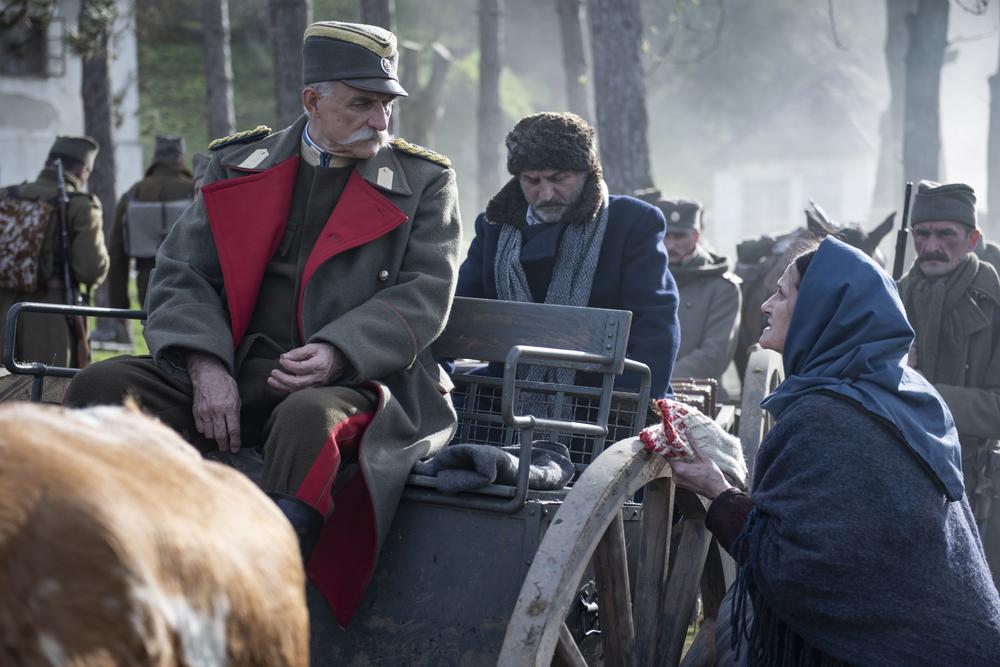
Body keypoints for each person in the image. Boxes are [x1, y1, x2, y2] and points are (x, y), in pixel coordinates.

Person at [63, 20, 462, 627]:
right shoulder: (236, 164)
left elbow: (426, 294)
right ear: (312, 101)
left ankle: (264, 603)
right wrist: (206, 366)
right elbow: (181, 273)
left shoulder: (425, 181)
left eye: (386, 104)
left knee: (307, 420)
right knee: (100, 387)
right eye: (362, 104)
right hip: (235, 365)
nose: (381, 120)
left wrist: (337, 352)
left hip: (359, 380)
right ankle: (109, 566)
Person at [653, 236, 1000, 665]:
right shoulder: (904, 393)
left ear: (818, 312)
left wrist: (718, 493)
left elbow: (799, 571)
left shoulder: (823, 417)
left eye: (782, 295)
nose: (765, 306)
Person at [455, 112, 679, 398]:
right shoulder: (493, 229)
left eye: (558, 179)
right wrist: (434, 378)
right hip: (508, 394)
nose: (546, 194)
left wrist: (631, 402)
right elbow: (458, 314)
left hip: (607, 398)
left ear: (587, 172)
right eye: (532, 181)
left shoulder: (632, 223)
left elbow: (656, 323)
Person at [898, 180, 1000, 584]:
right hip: (903, 478)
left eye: (946, 234)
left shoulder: (995, 305)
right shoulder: (893, 299)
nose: (932, 246)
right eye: (921, 234)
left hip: (979, 486)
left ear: (972, 240)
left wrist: (921, 391)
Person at [0, 135, 109, 367]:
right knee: (49, 385)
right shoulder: (80, 204)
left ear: (46, 163)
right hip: (49, 317)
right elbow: (91, 270)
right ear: (82, 171)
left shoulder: (5, 196)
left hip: (3, 312)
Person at [657, 198, 740, 396]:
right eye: (666, 235)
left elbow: (714, 354)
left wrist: (658, 379)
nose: (671, 244)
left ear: (695, 236)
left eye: (680, 236)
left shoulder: (722, 287)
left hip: (697, 395)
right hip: (640, 390)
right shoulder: (645, 277)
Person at [105, 135, 194, 314]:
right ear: (181, 158)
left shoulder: (135, 192)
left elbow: (116, 250)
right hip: (189, 281)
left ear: (154, 158)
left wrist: (119, 303)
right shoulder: (193, 190)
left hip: (147, 282)